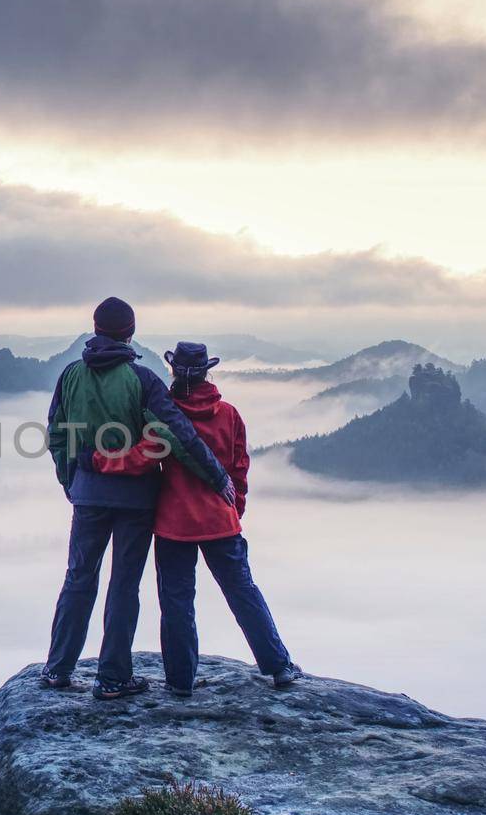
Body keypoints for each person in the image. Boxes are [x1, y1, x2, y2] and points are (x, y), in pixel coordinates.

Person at [43, 299, 237, 700]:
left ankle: (58, 669)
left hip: (88, 497)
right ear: (130, 333)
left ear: (96, 329)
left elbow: (57, 433)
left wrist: (71, 481)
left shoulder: (70, 376)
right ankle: (113, 677)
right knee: (123, 584)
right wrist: (218, 477)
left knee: (78, 577)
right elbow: (179, 434)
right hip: (136, 501)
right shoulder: (142, 380)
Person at [94, 341, 301, 693]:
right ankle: (278, 666)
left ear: (173, 371)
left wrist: (98, 460)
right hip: (221, 522)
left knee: (176, 603)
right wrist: (234, 511)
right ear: (208, 371)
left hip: (174, 524)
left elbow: (140, 459)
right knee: (242, 592)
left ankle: (180, 682)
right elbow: (239, 471)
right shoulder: (229, 415)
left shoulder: (165, 418)